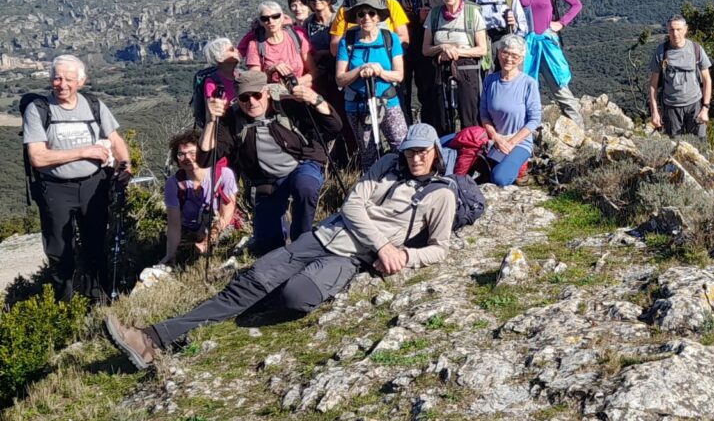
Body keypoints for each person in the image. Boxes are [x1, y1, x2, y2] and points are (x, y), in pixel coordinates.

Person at [105, 123, 456, 369]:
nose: (415, 159)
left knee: (295, 295)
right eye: (410, 152)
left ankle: (215, 317)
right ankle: (153, 338)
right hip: (324, 236)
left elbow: (439, 247)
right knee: (254, 278)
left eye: (422, 152)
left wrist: (404, 255)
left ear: (435, 153)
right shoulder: (387, 164)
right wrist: (383, 246)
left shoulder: (441, 195)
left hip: (352, 258)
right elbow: (351, 206)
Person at [22, 54, 131, 302]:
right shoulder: (38, 109)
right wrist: (84, 152)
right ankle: (67, 303)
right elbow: (38, 157)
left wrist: (126, 164)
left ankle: (99, 298)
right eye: (57, 78)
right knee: (60, 249)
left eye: (69, 79)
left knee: (96, 243)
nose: (62, 84)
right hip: (55, 188)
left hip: (93, 184)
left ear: (81, 81)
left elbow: (115, 139)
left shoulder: (93, 105)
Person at [198, 69, 341, 254]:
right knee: (267, 247)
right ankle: (281, 246)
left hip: (301, 164)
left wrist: (315, 99)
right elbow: (206, 159)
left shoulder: (287, 104)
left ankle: (302, 240)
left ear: (266, 92)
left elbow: (334, 126)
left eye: (257, 95)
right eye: (244, 98)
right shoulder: (232, 119)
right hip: (264, 180)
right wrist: (211, 121)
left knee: (306, 186)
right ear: (238, 99)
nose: (252, 102)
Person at [510, 0, 583, 127]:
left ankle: (579, 130)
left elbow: (576, 4)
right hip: (525, 46)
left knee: (560, 88)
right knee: (524, 89)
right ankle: (526, 133)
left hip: (548, 45)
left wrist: (561, 23)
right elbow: (505, 9)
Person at [335, 0, 408, 168]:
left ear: (378, 17)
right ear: (356, 18)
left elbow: (399, 75)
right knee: (368, 153)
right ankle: (373, 182)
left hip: (388, 101)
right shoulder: (347, 41)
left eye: (371, 13)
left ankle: (401, 179)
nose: (366, 17)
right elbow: (340, 79)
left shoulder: (390, 38)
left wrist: (379, 71)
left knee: (402, 146)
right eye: (361, 14)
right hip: (357, 105)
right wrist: (361, 69)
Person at [422, 0, 488, 134]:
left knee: (469, 114)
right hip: (440, 70)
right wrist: (442, 47)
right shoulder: (434, 14)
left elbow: (482, 49)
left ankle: (471, 145)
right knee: (442, 116)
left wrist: (456, 51)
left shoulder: (472, 13)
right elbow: (425, 49)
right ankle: (444, 146)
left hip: (467, 70)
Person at [161, 130, 238, 266]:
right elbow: (174, 224)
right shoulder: (174, 184)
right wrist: (170, 253)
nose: (187, 158)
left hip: (221, 227)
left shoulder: (224, 175)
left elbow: (226, 215)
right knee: (184, 257)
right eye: (181, 154)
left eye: (192, 153)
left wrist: (208, 240)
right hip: (190, 230)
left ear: (203, 154)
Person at [480, 34, 542, 186]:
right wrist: (496, 138)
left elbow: (534, 119)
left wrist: (511, 142)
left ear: (521, 59)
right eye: (505, 53)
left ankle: (521, 166)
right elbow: (484, 114)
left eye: (514, 56)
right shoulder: (490, 80)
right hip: (494, 140)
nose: (508, 59)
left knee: (500, 179)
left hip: (519, 142)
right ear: (498, 54)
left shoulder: (529, 83)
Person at [402, 0, 449, 127]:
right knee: (425, 93)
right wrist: (418, 17)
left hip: (449, 47)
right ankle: (428, 134)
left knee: (448, 95)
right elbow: (404, 12)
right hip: (421, 47)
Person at [648, 15, 712, 139]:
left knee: (699, 144)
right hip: (671, 108)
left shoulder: (696, 49)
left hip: (695, 105)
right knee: (674, 144)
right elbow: (653, 84)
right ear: (668, 30)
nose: (675, 34)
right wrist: (654, 112)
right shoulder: (661, 51)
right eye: (671, 30)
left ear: (685, 29)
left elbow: (707, 79)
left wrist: (705, 108)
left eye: (679, 29)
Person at [243, 1, 316, 87]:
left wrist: (295, 83)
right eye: (265, 18)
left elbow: (314, 71)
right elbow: (255, 81)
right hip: (273, 93)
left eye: (275, 16)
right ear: (260, 22)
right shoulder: (255, 45)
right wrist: (271, 70)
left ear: (282, 18)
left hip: (301, 90)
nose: (270, 21)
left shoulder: (297, 38)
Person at [202, 37, 240, 104]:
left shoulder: (242, 76)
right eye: (231, 49)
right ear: (219, 58)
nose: (237, 50)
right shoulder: (212, 82)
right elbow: (212, 109)